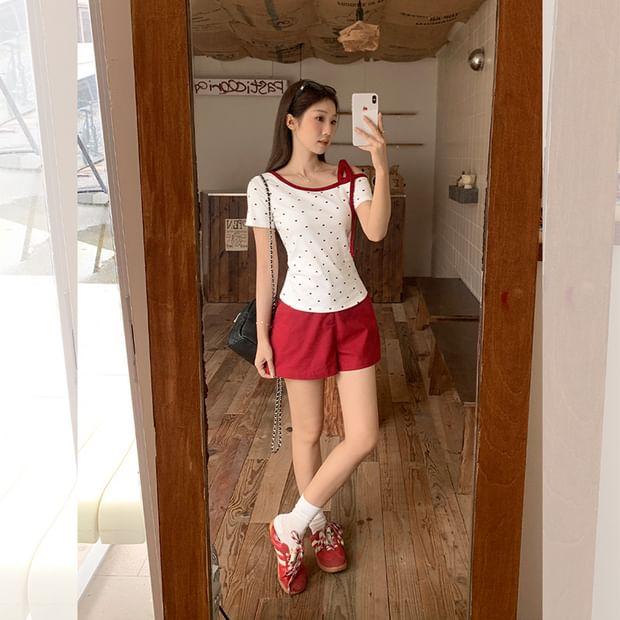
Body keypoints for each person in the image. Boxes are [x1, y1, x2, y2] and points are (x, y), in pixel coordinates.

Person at [244, 79, 391, 595]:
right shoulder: (264, 187)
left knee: (363, 436)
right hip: (299, 318)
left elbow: (375, 231)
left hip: (353, 314)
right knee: (306, 434)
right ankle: (318, 525)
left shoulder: (351, 177)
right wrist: (262, 336)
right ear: (292, 122)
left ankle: (290, 524)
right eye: (318, 119)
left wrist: (380, 164)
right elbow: (267, 268)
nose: (328, 129)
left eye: (334, 120)